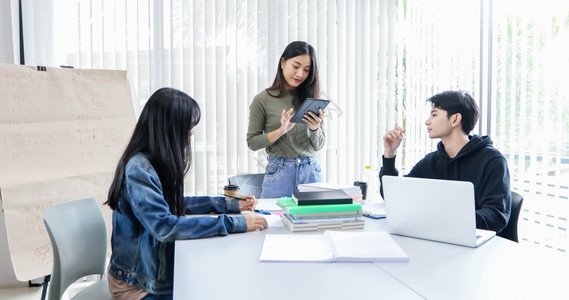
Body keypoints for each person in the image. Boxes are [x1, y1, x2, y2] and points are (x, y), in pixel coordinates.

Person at [105, 87, 268, 300]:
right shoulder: (138, 169)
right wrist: (235, 223)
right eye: (189, 126)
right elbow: (165, 227)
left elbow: (176, 202)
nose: (191, 133)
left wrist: (230, 205)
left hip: (153, 274)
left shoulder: (151, 161)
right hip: (138, 286)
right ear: (169, 127)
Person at [379, 90, 511, 233]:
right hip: (438, 239)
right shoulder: (431, 161)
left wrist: (446, 220)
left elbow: (496, 215)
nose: (427, 121)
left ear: (455, 119)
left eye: (434, 114)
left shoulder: (492, 161)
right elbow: (394, 198)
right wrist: (389, 154)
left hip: (476, 245)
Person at [247, 41, 326, 198]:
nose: (300, 74)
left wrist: (315, 129)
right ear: (282, 62)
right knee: (272, 221)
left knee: (314, 221)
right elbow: (252, 143)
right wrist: (280, 131)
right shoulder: (262, 99)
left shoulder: (311, 99)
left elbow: (318, 146)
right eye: (295, 66)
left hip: (311, 171)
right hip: (279, 172)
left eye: (306, 70)